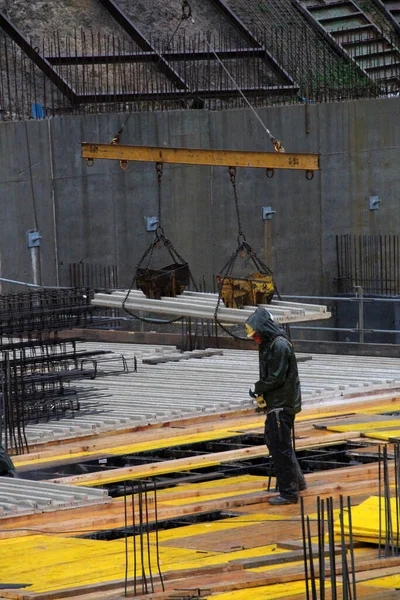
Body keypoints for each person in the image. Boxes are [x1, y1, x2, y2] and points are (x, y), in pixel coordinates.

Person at [246, 307, 306, 505]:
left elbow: (276, 377)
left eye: (256, 335)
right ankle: (297, 482)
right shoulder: (270, 344)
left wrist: (258, 387)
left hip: (282, 405)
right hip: (277, 403)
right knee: (277, 443)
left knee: (280, 447)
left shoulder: (279, 346)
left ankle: (289, 493)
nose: (254, 339)